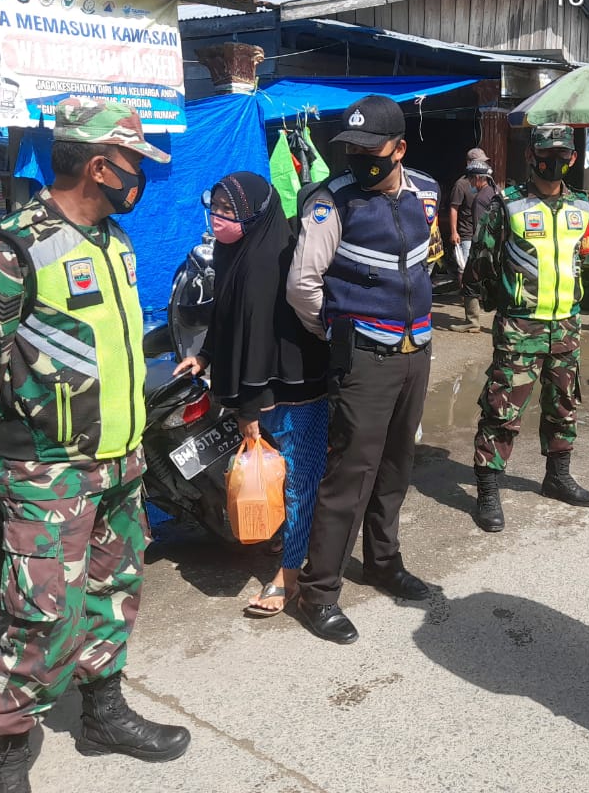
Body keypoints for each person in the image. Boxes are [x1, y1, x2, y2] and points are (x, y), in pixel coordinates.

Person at [0, 99, 189, 793]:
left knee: (115, 591)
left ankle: (103, 714)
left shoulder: (114, 241)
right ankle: (5, 757)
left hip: (121, 460)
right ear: (101, 166)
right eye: (136, 164)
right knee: (43, 616)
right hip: (47, 474)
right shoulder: (9, 248)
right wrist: (13, 447)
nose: (141, 177)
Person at [285, 95, 443, 644]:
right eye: (350, 150)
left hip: (415, 349)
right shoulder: (332, 203)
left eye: (370, 150)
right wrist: (335, 333)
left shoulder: (426, 192)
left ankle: (383, 561)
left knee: (398, 466)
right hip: (364, 356)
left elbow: (428, 259)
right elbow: (304, 284)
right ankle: (319, 591)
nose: (358, 159)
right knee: (349, 474)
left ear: (399, 149)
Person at [173, 172, 329, 617]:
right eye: (216, 207)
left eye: (229, 211)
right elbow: (227, 316)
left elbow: (258, 338)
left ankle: (290, 575)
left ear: (257, 215)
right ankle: (291, 545)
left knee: (301, 484)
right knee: (277, 479)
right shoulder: (233, 251)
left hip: (293, 389)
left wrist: (248, 407)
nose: (219, 218)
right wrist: (204, 355)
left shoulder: (269, 262)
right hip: (260, 386)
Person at [463, 123, 589, 533]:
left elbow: (581, 256)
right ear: (530, 155)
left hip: (566, 324)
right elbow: (480, 264)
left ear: (572, 159)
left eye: (561, 155)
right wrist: (499, 302)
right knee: (502, 409)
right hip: (521, 325)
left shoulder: (581, 205)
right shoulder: (508, 204)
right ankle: (488, 489)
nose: (552, 162)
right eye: (545, 154)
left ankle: (557, 476)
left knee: (563, 404)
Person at [449, 152, 497, 332]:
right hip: (494, 246)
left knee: (469, 280)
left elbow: (480, 228)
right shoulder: (493, 192)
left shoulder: (479, 199)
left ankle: (472, 321)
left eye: (471, 179)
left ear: (478, 178)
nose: (469, 183)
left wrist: (478, 252)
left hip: (482, 246)